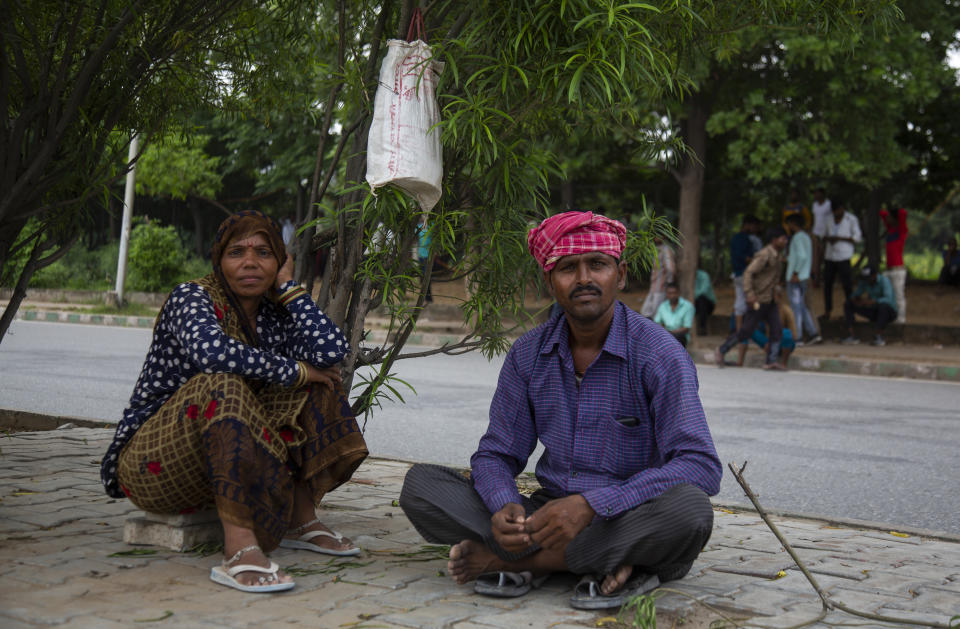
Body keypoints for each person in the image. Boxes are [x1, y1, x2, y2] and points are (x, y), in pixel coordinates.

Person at [399, 211, 720, 610]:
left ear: (619, 276)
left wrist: (591, 506)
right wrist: (504, 506)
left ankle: (521, 563)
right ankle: (613, 563)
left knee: (689, 512)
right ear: (550, 282)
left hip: (627, 514)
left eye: (597, 265)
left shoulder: (660, 354)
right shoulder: (528, 354)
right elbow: (498, 452)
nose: (584, 278)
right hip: (545, 517)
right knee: (421, 486)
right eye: (568, 268)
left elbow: (700, 465)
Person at [101, 211, 368, 593]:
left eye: (263, 252)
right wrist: (296, 369)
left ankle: (298, 517)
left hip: (219, 468)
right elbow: (213, 354)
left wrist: (290, 289)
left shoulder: (273, 313)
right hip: (153, 465)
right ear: (218, 259)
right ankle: (239, 548)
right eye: (236, 252)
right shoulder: (191, 297)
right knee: (222, 384)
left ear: (279, 261)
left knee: (319, 385)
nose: (249, 262)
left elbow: (331, 353)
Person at [715, 227, 789, 371]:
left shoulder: (778, 255)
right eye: (782, 238)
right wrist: (749, 294)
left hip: (770, 299)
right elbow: (748, 273)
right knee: (746, 330)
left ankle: (771, 361)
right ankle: (722, 350)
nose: (785, 241)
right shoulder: (765, 255)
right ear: (774, 240)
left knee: (777, 328)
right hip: (759, 299)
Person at [814, 199, 861, 321]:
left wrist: (840, 238)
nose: (836, 213)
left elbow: (857, 238)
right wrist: (829, 238)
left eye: (838, 210)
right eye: (834, 211)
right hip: (830, 256)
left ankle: (850, 313)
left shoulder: (851, 219)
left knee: (847, 286)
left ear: (842, 208)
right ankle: (827, 311)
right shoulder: (828, 219)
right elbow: (821, 235)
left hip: (844, 256)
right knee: (827, 285)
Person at [736, 287, 796, 368]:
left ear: (780, 297)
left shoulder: (786, 310)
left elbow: (794, 334)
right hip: (769, 342)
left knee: (785, 332)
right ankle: (740, 361)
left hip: (784, 343)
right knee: (748, 329)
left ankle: (784, 363)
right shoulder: (765, 308)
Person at [784, 214, 821, 344]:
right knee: (802, 306)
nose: (788, 227)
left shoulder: (797, 237)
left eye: (789, 224)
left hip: (797, 277)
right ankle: (813, 333)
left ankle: (798, 336)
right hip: (804, 275)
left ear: (793, 224)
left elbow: (802, 256)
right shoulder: (806, 237)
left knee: (796, 307)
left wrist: (795, 272)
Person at [842, 266, 898, 346]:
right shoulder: (864, 281)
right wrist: (856, 299)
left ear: (874, 275)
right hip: (873, 310)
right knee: (848, 303)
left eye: (868, 278)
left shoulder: (884, 281)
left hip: (889, 312)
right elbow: (856, 293)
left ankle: (879, 336)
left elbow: (888, 299)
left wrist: (872, 302)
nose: (866, 281)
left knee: (883, 307)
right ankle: (852, 335)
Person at [730, 215, 762, 331]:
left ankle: (741, 331)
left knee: (742, 302)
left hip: (740, 274)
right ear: (747, 225)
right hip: (743, 275)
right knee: (744, 302)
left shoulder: (743, 238)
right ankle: (740, 331)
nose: (756, 229)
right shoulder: (742, 239)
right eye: (755, 226)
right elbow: (745, 258)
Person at [879, 205, 908, 323]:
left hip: (898, 269)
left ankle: (901, 318)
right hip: (888, 269)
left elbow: (903, 212)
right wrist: (887, 212)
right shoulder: (890, 230)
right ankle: (889, 316)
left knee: (898, 295)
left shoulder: (902, 230)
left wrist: (894, 211)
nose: (887, 219)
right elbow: (881, 214)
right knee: (887, 295)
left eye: (890, 217)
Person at [639, 236, 676, 318]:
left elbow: (670, 268)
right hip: (655, 286)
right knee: (646, 312)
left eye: (659, 235)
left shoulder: (666, 250)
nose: (656, 237)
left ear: (664, 236)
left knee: (655, 313)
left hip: (661, 286)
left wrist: (669, 283)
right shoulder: (658, 249)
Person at [654, 282, 694, 347]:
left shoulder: (688, 306)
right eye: (670, 293)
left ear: (679, 293)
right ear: (666, 294)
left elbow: (686, 328)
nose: (672, 296)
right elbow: (657, 322)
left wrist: (670, 333)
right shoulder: (663, 306)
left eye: (675, 293)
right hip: (666, 335)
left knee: (677, 337)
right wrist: (664, 332)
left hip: (680, 336)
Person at [693, 268, 716, 336]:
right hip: (694, 303)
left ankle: (702, 327)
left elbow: (704, 290)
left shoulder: (703, 275)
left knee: (702, 299)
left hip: (708, 304)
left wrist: (692, 297)